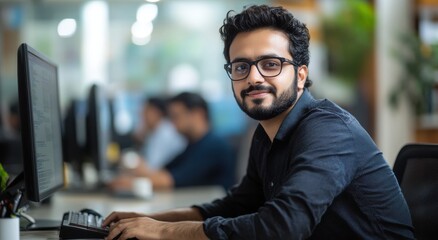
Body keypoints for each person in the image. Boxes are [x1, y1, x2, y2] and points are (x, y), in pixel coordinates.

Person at [103, 5, 414, 240]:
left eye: (270, 64)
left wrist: (163, 233)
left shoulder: (329, 130)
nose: (253, 77)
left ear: (301, 75)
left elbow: (284, 226)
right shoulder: (265, 133)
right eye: (241, 66)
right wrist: (152, 220)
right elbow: (236, 206)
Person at [109, 92, 235, 191]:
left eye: (176, 116)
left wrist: (132, 184)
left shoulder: (212, 146)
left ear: (198, 114)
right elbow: (164, 171)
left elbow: (170, 181)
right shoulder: (192, 144)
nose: (172, 123)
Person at [134, 96, 186, 170]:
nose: (142, 115)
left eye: (145, 111)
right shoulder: (156, 131)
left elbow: (152, 168)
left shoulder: (165, 132)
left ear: (156, 112)